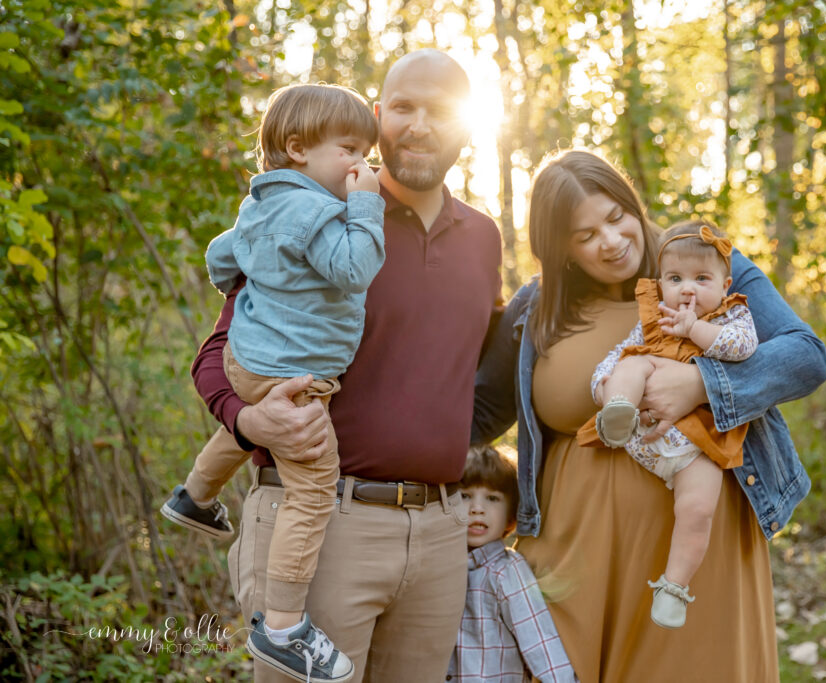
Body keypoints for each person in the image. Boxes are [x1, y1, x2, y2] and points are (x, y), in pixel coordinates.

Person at [190, 50, 502, 682]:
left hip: (441, 533)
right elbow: (217, 356)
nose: (419, 126)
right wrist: (250, 422)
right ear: (378, 117)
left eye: (439, 111)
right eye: (404, 108)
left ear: (469, 124)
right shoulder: (316, 212)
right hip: (323, 523)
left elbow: (461, 375)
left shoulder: (483, 237)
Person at [472, 149, 826, 681]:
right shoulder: (536, 306)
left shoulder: (705, 265)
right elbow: (481, 411)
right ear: (561, 249)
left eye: (617, 218)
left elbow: (806, 356)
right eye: (585, 235)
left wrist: (702, 383)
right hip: (573, 552)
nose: (611, 242)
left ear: (632, 205)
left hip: (697, 543)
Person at [164, 82, 385, 682]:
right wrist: (367, 207)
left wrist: (245, 283)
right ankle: (285, 628)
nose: (361, 164)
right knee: (312, 487)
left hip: (248, 360)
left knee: (249, 428)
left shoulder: (259, 204)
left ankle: (195, 496)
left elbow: (219, 256)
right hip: (292, 372)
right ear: (296, 147)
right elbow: (354, 268)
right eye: (349, 149)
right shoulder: (316, 209)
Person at [578, 219, 758, 629]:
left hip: (697, 449)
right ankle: (617, 412)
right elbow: (610, 360)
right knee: (631, 363)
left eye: (701, 278)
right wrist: (607, 389)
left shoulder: (733, 318)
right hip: (641, 433)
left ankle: (674, 587)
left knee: (697, 511)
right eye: (675, 278)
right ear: (661, 284)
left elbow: (742, 349)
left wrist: (694, 328)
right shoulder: (652, 321)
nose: (687, 289)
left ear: (726, 285)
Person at [448, 445, 577, 683]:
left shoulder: (507, 570)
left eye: (492, 498)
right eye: (465, 496)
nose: (477, 509)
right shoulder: (437, 567)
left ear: (511, 515)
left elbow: (539, 642)